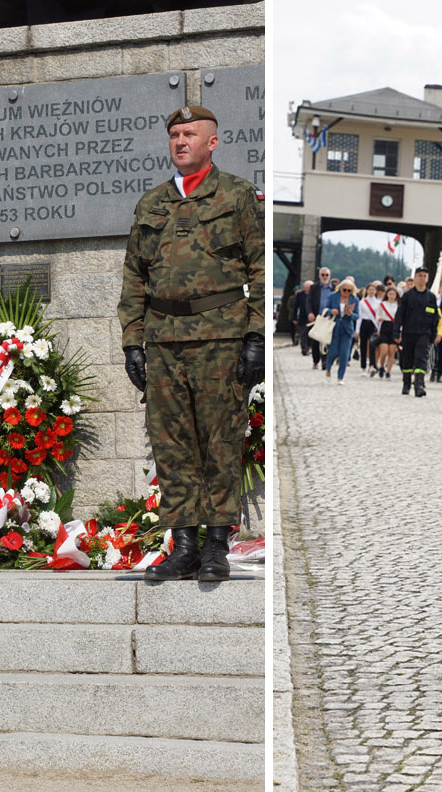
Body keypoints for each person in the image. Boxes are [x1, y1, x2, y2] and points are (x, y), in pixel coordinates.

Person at [120, 105, 265, 584]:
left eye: (190, 134)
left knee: (220, 440)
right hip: (163, 340)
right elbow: (134, 276)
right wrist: (132, 341)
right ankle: (183, 544)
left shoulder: (239, 196)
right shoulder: (151, 204)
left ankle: (217, 545)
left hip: (221, 338)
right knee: (172, 444)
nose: (180, 141)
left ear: (213, 142)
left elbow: (260, 267)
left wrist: (257, 335)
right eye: (174, 134)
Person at [395, 266, 438, 397]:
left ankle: (419, 385)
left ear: (427, 279)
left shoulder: (431, 297)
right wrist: (396, 332)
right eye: (419, 275)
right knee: (407, 360)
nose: (422, 278)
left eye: (424, 276)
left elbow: (435, 318)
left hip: (424, 333)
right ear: (415, 277)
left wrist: (433, 336)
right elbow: (400, 315)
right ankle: (406, 383)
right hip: (408, 332)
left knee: (421, 359)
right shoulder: (407, 296)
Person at [323, 279, 360, 383]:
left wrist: (350, 314)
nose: (347, 292)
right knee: (333, 352)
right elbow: (325, 310)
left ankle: (340, 377)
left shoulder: (355, 299)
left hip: (347, 329)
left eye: (349, 290)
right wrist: (331, 311)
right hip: (334, 327)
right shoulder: (333, 296)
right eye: (345, 290)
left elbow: (357, 316)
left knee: (344, 353)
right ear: (340, 288)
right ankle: (328, 369)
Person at [305, 266, 332, 369]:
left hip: (328, 318)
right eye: (323, 275)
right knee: (316, 340)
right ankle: (316, 360)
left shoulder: (334, 288)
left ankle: (325, 361)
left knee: (326, 340)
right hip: (317, 317)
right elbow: (308, 301)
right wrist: (310, 313)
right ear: (319, 276)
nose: (325, 277)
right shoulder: (314, 287)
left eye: (327, 275)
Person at [372, 286, 400, 378]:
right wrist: (379, 319)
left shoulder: (399, 305)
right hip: (385, 326)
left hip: (394, 327)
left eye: (393, 294)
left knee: (392, 351)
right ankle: (381, 366)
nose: (392, 296)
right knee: (384, 350)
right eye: (390, 294)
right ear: (387, 294)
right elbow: (377, 315)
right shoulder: (382, 304)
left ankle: (388, 371)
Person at [357, 281, 382, 373]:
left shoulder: (379, 303)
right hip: (364, 323)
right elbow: (359, 316)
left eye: (373, 290)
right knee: (363, 346)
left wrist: (379, 328)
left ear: (375, 291)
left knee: (372, 345)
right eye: (370, 290)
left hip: (373, 324)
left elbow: (378, 316)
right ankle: (363, 367)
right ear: (367, 291)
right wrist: (357, 330)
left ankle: (372, 365)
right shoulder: (362, 302)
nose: (371, 291)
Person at [292, 282, 310, 352]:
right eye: (308, 286)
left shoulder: (314, 294)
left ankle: (309, 347)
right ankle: (304, 348)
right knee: (303, 333)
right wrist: (294, 318)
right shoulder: (300, 295)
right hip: (303, 317)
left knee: (311, 334)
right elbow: (296, 307)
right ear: (305, 287)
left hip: (313, 317)